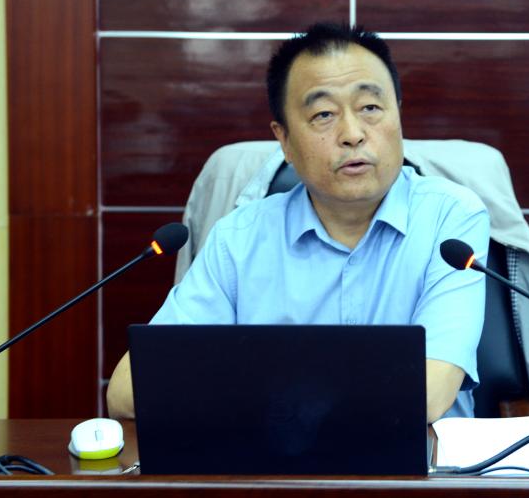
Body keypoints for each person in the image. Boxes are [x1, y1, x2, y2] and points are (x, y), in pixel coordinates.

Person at [105, 23, 489, 422]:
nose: (353, 134)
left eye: (371, 108)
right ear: (285, 141)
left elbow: (428, 395)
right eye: (323, 114)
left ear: (399, 115)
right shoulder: (239, 238)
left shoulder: (451, 220)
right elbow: (128, 391)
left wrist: (259, 385)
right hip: (272, 461)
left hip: (422, 459)